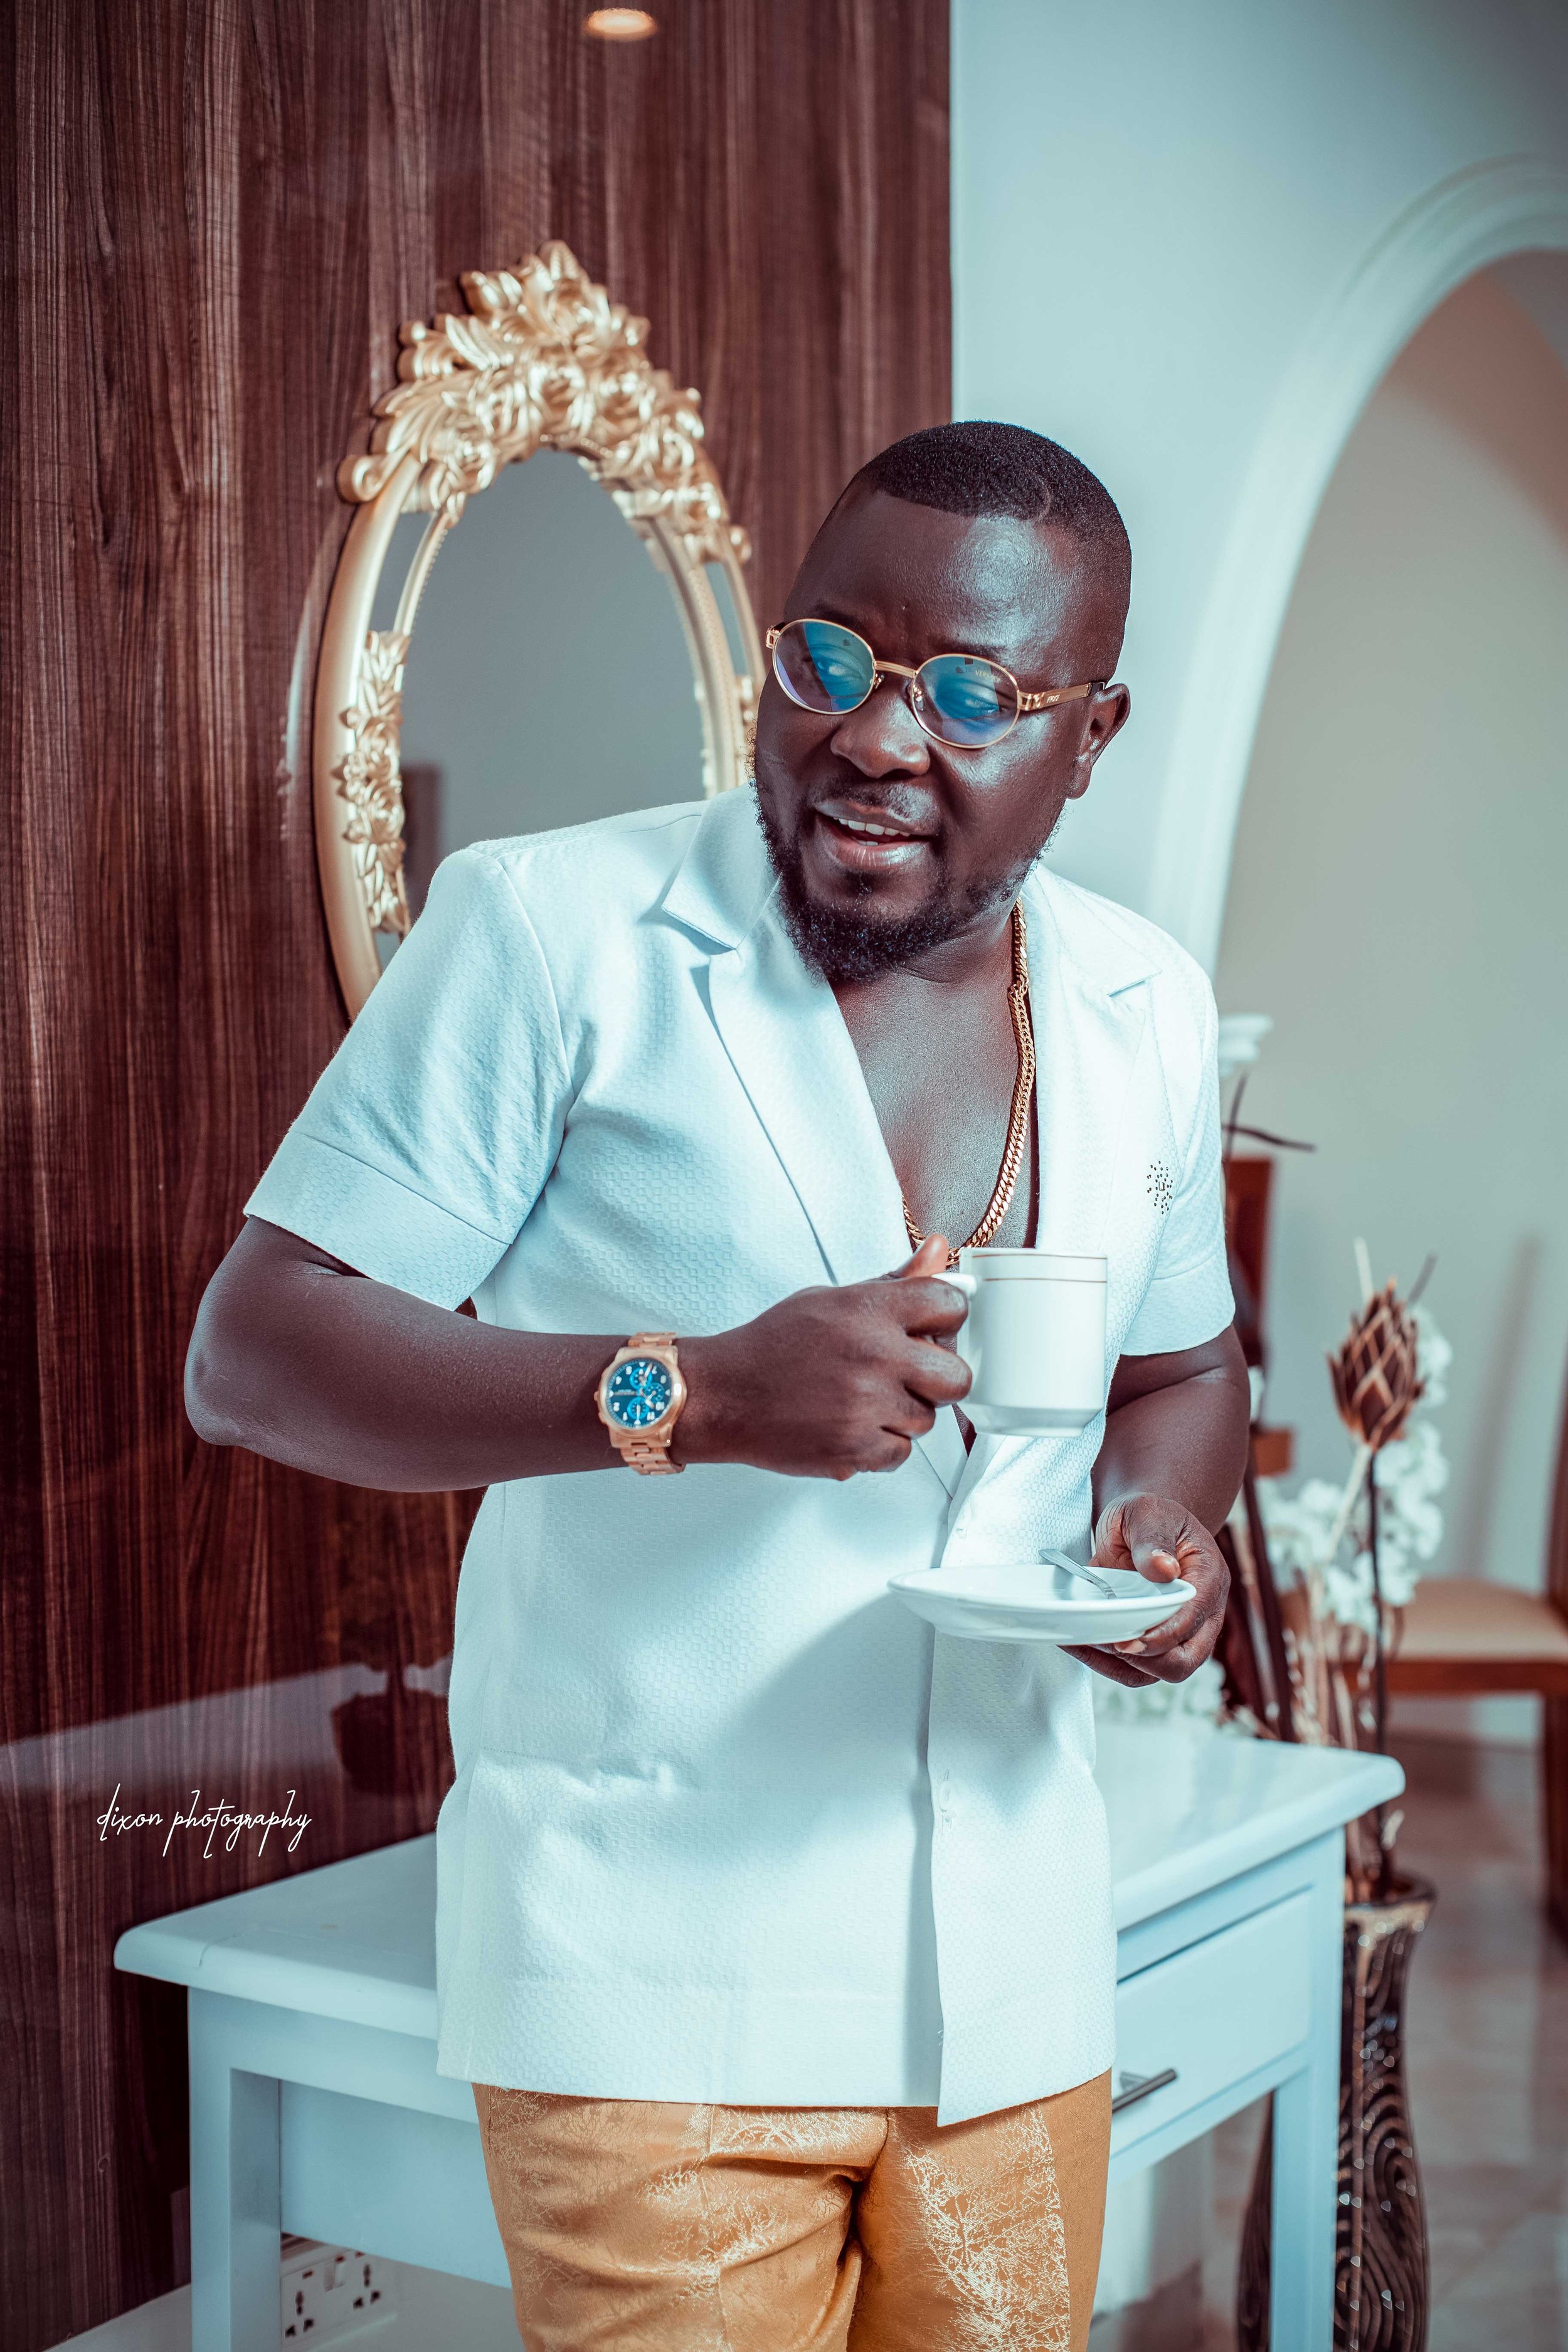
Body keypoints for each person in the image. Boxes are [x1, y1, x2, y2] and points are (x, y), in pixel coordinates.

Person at [187, 419, 1250, 2351]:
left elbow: (1184, 1368)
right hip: (651, 1983)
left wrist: (1160, 1533)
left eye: (968, 695)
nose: (873, 736)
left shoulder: (1143, 1007)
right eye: (829, 657)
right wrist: (687, 1393)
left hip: (1012, 1973)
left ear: (1090, 736)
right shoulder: (549, 933)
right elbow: (255, 1355)